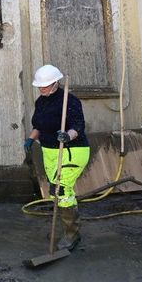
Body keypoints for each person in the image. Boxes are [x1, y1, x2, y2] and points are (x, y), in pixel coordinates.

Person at [24, 64, 90, 251]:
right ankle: (67, 228)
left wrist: (68, 135)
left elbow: (78, 125)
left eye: (45, 85)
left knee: (62, 189)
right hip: (49, 151)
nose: (41, 88)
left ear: (56, 83)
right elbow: (39, 125)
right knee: (58, 192)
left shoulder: (70, 101)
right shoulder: (41, 102)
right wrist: (30, 140)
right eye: (40, 86)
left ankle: (71, 234)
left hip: (71, 150)